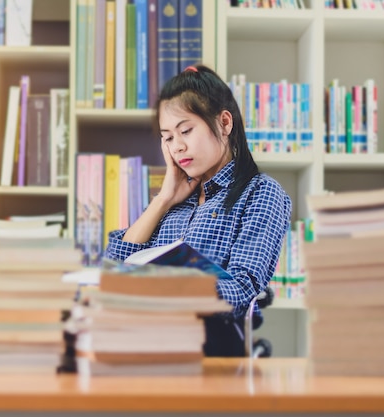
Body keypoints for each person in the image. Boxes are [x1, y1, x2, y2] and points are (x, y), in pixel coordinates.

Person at [104, 65, 292, 357]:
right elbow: (111, 271)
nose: (177, 147)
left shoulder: (260, 193)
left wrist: (174, 289)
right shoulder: (175, 200)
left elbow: (242, 292)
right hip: (144, 344)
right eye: (168, 138)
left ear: (224, 123)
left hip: (208, 349)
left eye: (186, 131)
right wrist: (164, 198)